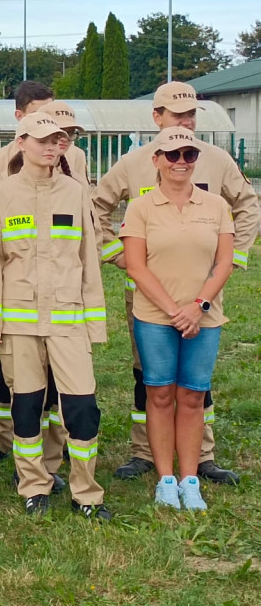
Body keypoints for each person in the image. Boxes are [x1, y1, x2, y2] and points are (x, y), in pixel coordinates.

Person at [93, 81, 259, 484]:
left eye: (190, 115)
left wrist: (231, 259)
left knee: (195, 380)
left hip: (202, 294)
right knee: (149, 375)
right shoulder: (133, 163)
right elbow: (96, 208)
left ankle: (202, 455)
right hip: (149, 295)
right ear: (156, 117)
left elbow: (248, 206)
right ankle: (144, 451)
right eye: (175, 114)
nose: (184, 121)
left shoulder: (217, 161)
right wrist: (122, 257)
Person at [0, 114, 111, 520]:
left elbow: (88, 259)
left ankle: (85, 492)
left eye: (60, 141)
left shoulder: (75, 193)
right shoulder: (2, 194)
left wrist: (94, 324)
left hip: (68, 318)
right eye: (44, 141)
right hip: (19, 321)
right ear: (21, 142)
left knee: (81, 407)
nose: (53, 147)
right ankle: (33, 485)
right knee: (26, 407)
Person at [119, 127, 234, 511]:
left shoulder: (216, 205)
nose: (181, 162)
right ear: (156, 161)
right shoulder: (141, 207)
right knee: (160, 393)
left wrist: (197, 306)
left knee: (192, 396)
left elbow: (224, 263)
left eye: (188, 154)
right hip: (155, 317)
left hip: (204, 318)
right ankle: (165, 479)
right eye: (172, 155)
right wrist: (175, 310)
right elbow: (136, 265)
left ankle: (190, 479)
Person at [0, 81, 70, 477]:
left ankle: (47, 450)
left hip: (56, 290)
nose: (47, 125)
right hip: (17, 284)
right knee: (8, 373)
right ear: (19, 118)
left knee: (55, 379)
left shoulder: (69, 158)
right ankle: (0, 438)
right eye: (37, 114)